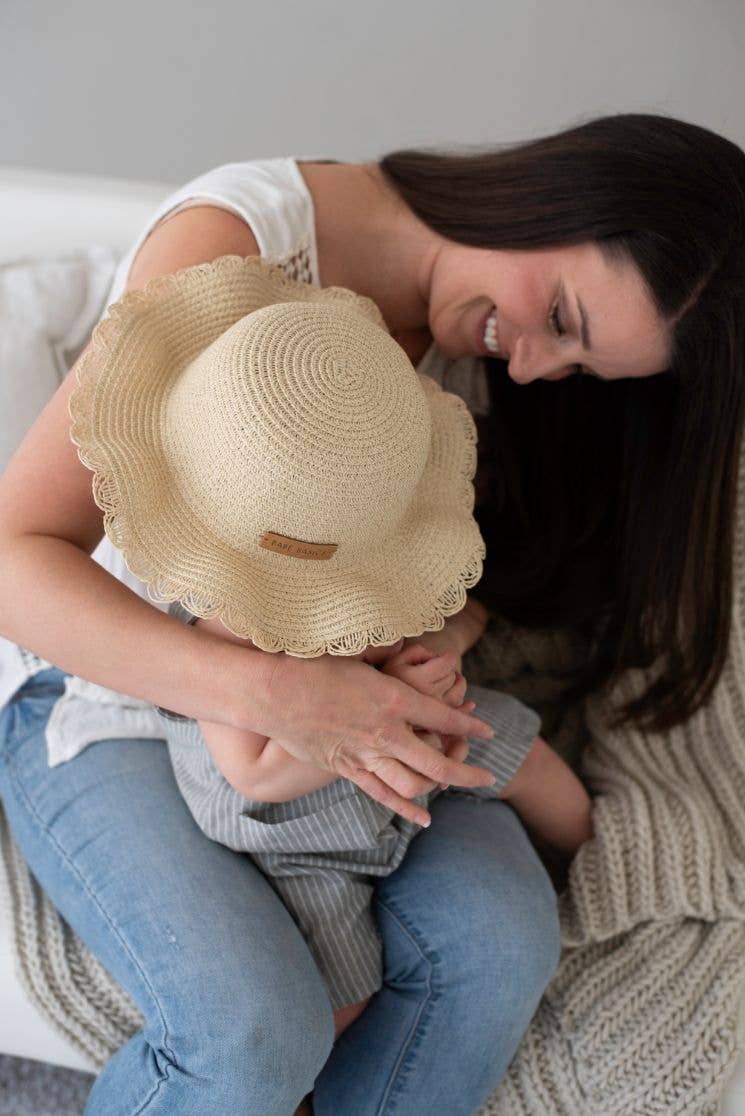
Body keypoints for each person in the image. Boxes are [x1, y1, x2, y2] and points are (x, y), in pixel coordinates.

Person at [0, 110, 744, 1116]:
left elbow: (476, 583)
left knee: (492, 944)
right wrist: (285, 695)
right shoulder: (237, 252)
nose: (531, 368)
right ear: (556, 198)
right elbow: (16, 561)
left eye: (575, 368)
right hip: (118, 693)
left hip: (363, 696)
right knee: (254, 1031)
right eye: (562, 322)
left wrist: (433, 640)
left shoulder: (485, 352)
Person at [64, 261, 592, 1054]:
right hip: (298, 831)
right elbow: (253, 775)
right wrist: (366, 721)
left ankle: (589, 854)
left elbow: (455, 615)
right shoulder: (224, 628)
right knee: (338, 997)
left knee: (516, 743)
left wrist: (429, 663)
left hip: (406, 742)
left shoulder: (374, 561)